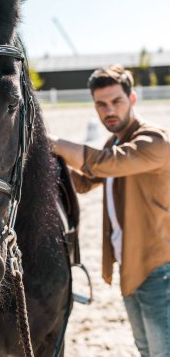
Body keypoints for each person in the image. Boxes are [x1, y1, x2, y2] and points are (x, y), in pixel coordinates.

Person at [49, 64, 170, 357]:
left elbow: (105, 163)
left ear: (133, 99)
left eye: (116, 101)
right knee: (146, 349)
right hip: (129, 265)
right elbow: (83, 181)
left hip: (159, 268)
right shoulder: (115, 142)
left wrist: (52, 143)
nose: (108, 110)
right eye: (101, 104)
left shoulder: (155, 141)